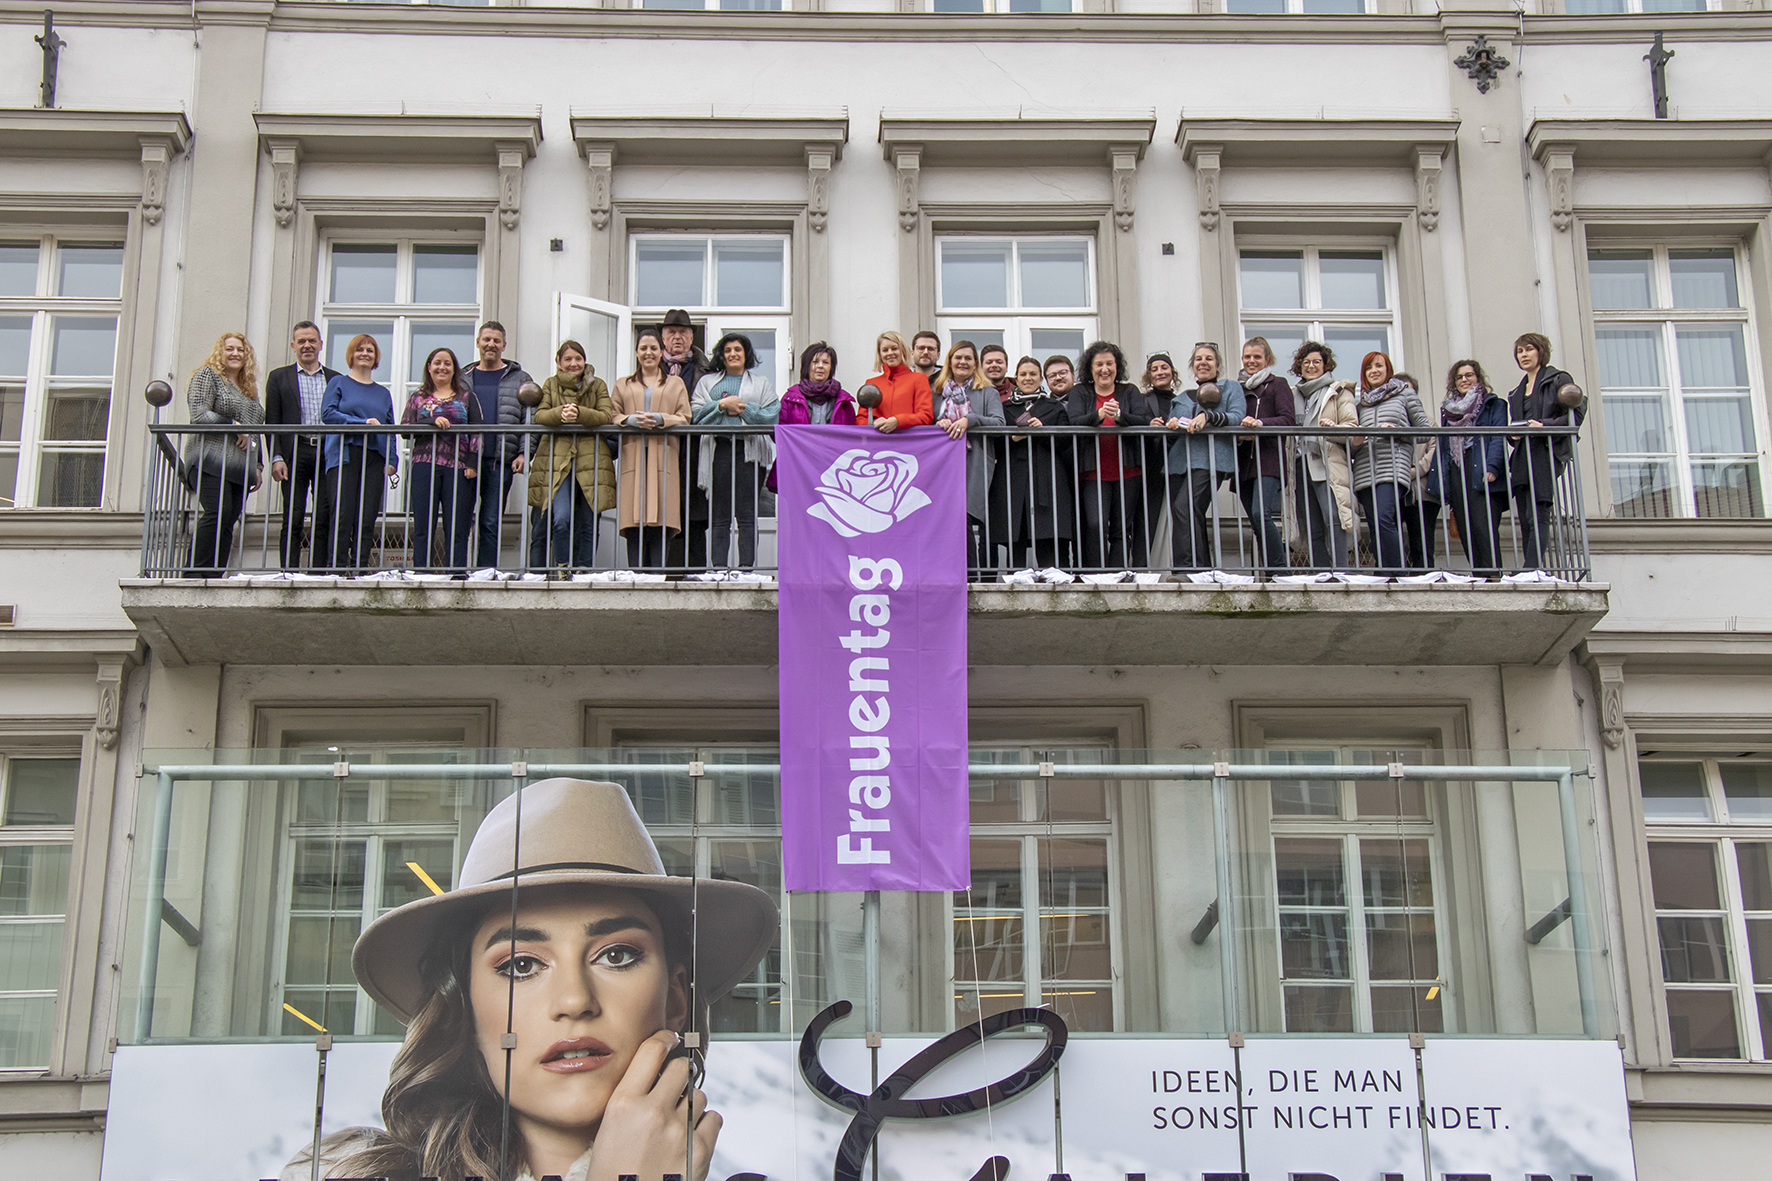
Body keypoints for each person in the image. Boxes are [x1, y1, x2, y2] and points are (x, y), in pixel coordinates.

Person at [281, 777, 778, 1181]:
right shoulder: (349, 1174)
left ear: (674, 997)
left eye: (618, 955)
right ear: (467, 1010)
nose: (574, 1000)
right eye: (521, 965)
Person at [691, 334, 779, 571]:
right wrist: (721, 405)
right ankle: (719, 569)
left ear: (746, 354)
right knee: (720, 514)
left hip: (749, 452)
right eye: (728, 350)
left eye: (738, 349)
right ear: (722, 354)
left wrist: (741, 409)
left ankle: (745, 569)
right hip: (719, 449)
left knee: (747, 513)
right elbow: (696, 415)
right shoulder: (707, 382)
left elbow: (772, 416)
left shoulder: (761, 383)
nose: (733, 354)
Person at [527, 340, 615, 573]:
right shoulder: (551, 384)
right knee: (560, 517)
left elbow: (607, 416)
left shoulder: (597, 385)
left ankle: (583, 570)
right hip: (556, 458)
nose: (574, 363)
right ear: (559, 362)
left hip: (591, 458)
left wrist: (580, 413)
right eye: (568, 359)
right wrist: (560, 414)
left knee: (589, 520)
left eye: (578, 358)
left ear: (584, 361)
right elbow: (540, 416)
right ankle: (563, 567)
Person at [182, 331, 264, 578]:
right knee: (216, 512)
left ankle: (214, 575)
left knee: (228, 519)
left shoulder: (249, 389)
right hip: (210, 459)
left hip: (240, 467)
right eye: (230, 349)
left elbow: (255, 428)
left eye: (240, 349)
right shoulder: (208, 375)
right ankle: (195, 574)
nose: (235, 353)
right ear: (221, 352)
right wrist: (231, 424)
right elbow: (198, 413)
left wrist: (258, 465)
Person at [612, 328, 691, 572]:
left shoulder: (675, 383)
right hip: (633, 457)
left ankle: (657, 575)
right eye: (644, 348)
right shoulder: (622, 384)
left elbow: (685, 417)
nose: (649, 353)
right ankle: (636, 575)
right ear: (636, 353)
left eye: (654, 348)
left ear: (661, 352)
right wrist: (629, 421)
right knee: (634, 517)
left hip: (663, 456)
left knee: (661, 516)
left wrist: (660, 418)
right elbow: (612, 415)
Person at [1420, 359, 1508, 575]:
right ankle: (1479, 574)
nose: (1464, 380)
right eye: (1459, 377)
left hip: (1481, 468)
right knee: (1465, 527)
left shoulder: (1493, 404)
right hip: (1457, 470)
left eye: (1469, 375)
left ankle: (1493, 575)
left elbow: (1498, 438)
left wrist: (1493, 467)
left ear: (1478, 378)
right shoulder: (1449, 410)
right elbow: (1444, 446)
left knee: (1482, 524)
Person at [1163, 344, 1246, 571]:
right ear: (1193, 366)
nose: (1203, 362)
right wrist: (1170, 424)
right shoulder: (1181, 398)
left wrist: (1207, 416)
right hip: (1179, 462)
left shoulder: (1230, 388)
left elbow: (1237, 417)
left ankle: (1185, 569)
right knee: (1190, 513)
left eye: (1209, 358)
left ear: (1217, 365)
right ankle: (1202, 570)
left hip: (1211, 459)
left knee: (1185, 507)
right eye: (1198, 359)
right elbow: (1173, 424)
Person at [1507, 331, 1585, 572]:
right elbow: (1517, 424)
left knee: (1538, 511)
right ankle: (1528, 567)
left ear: (1540, 351)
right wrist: (1513, 434)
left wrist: (1544, 426)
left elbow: (1576, 415)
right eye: (1520, 351)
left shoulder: (1558, 379)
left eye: (1529, 349)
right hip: (1522, 456)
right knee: (1525, 516)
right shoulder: (1516, 391)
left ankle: (1532, 568)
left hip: (1544, 453)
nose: (1524, 355)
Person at [319, 334, 396, 573]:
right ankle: (337, 568)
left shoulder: (383, 393)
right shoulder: (339, 383)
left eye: (370, 350)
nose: (365, 354)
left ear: (376, 358)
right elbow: (328, 414)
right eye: (360, 349)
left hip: (375, 457)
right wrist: (360, 422)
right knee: (343, 513)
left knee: (367, 515)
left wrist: (392, 459)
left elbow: (390, 428)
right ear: (351, 355)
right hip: (345, 453)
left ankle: (360, 567)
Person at [263, 321, 337, 569]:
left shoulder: (336, 379)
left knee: (323, 516)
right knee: (293, 516)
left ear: (320, 345)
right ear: (293, 345)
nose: (307, 346)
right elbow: (272, 421)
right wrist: (276, 457)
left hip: (327, 452)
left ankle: (318, 571)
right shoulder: (278, 377)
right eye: (302, 341)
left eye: (312, 341)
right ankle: (289, 571)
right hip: (295, 452)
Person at [1068, 340, 1148, 570]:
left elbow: (1142, 420)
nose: (1105, 369)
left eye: (1110, 364)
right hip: (1093, 471)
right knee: (1096, 524)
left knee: (1122, 529)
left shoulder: (1129, 390)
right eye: (1099, 364)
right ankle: (1098, 574)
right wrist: (1099, 414)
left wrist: (1121, 416)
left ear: (1117, 366)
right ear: (1090, 368)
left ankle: (1117, 575)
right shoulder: (1080, 391)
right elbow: (1074, 422)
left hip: (1128, 470)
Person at [1350, 351, 1431, 575]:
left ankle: (1396, 572)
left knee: (1384, 516)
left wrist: (1398, 432)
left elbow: (1426, 432)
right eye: (1369, 367)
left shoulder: (1404, 395)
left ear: (1388, 370)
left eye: (1379, 366)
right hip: (1365, 471)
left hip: (1393, 467)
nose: (1374, 371)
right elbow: (1353, 448)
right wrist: (1356, 441)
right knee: (1375, 525)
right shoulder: (1361, 404)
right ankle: (1383, 572)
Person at [400, 347, 481, 572]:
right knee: (424, 524)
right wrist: (431, 421)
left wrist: (473, 462)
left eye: (447, 363)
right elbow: (405, 430)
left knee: (457, 524)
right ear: (429, 367)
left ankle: (455, 573)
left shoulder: (467, 396)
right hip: (424, 464)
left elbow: (478, 431)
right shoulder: (417, 397)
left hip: (459, 466)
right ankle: (421, 573)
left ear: (454, 369)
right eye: (437, 363)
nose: (442, 367)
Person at [932, 340, 1006, 576]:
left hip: (975, 461)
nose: (962, 362)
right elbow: (925, 421)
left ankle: (977, 576)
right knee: (950, 517)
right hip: (944, 464)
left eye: (968, 358)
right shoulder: (936, 392)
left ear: (975, 364)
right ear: (950, 361)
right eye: (958, 357)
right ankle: (957, 574)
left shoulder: (988, 392)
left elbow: (1000, 423)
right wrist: (938, 424)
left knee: (969, 515)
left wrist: (970, 420)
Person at [469, 321, 535, 569]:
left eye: (496, 341)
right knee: (462, 518)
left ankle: (485, 572)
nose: (491, 345)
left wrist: (524, 452)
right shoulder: (463, 377)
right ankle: (458, 572)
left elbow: (531, 418)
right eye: (486, 339)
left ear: (504, 345)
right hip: (466, 459)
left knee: (490, 520)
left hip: (500, 460)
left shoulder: (520, 378)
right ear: (478, 342)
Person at [1001, 356, 1076, 570]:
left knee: (1050, 536)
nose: (1028, 378)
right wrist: (1013, 437)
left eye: (1033, 374)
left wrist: (1042, 431)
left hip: (1048, 477)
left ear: (1041, 378)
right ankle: (1015, 588)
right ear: (1016, 378)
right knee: (1016, 536)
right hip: (1014, 478)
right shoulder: (1005, 407)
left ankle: (1055, 587)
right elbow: (995, 443)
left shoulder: (1054, 406)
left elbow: (1066, 442)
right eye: (1023, 374)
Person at [1289, 341, 1358, 569]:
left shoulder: (1338, 391)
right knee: (1311, 524)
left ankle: (1340, 570)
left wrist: (1332, 429)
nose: (1311, 366)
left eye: (1316, 362)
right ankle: (1320, 570)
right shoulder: (1294, 394)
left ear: (1326, 365)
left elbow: (1352, 428)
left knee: (1334, 518)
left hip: (1327, 462)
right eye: (1306, 362)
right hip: (1300, 463)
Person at [1235, 337, 1296, 577]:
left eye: (1257, 357)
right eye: (1247, 357)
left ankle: (1279, 571)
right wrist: (1241, 435)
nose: (1252, 361)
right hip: (1243, 464)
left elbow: (1288, 419)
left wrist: (1259, 424)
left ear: (1267, 360)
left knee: (1262, 514)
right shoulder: (1237, 388)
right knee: (1257, 523)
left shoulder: (1277, 384)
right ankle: (1271, 573)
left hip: (1268, 460)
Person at [659, 310, 712, 573]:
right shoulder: (648, 368)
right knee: (662, 512)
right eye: (671, 332)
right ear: (663, 338)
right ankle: (661, 576)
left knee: (696, 516)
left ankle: (696, 575)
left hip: (695, 452)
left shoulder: (708, 369)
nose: (677, 337)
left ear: (691, 337)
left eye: (682, 332)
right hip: (661, 450)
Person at [1136, 352, 1182, 561]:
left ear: (1172, 372)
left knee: (1178, 514)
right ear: (1149, 376)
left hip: (1176, 463)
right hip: (1151, 465)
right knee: (1147, 518)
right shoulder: (1142, 400)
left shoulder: (1181, 401)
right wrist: (1149, 426)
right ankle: (1143, 566)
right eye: (1154, 369)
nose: (1160, 372)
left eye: (1164, 367)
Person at [862, 332, 934, 434]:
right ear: (880, 354)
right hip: (878, 443)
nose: (890, 353)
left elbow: (925, 416)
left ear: (903, 351)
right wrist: (873, 422)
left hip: (908, 443)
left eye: (894, 348)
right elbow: (861, 418)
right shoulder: (871, 383)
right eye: (885, 350)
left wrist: (898, 421)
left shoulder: (919, 379)